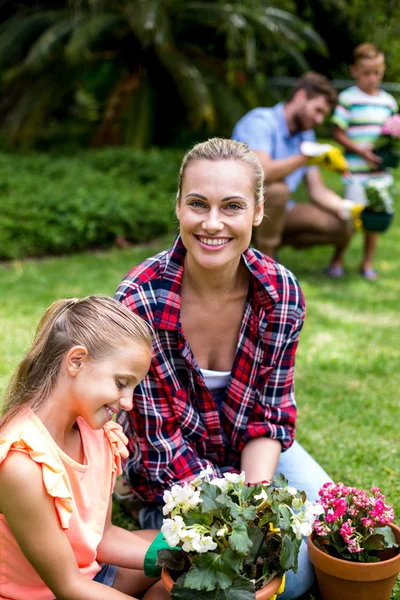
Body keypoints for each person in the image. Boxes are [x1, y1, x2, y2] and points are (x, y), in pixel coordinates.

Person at [114, 138, 331, 599]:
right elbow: (160, 444)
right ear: (178, 206)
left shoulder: (281, 293)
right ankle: (149, 515)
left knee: (317, 546)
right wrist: (233, 524)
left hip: (248, 446)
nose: (212, 224)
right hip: (174, 472)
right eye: (198, 204)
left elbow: (269, 416)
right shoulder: (139, 301)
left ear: (257, 210)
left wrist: (255, 506)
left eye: (231, 206)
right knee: (264, 579)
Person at [0, 295, 170, 600]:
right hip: (55, 592)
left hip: (92, 576)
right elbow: (68, 586)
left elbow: (102, 538)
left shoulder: (96, 431)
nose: (128, 403)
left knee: (171, 556)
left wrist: (182, 559)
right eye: (121, 383)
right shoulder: (21, 464)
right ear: (76, 361)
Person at [231, 72, 354, 276]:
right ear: (300, 96)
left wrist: (349, 208)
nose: (319, 119)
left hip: (278, 212)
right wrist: (306, 157)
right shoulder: (260, 121)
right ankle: (264, 269)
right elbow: (262, 172)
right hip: (240, 208)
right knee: (278, 190)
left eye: (323, 115)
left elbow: (317, 190)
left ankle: (267, 246)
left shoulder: (306, 134)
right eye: (318, 110)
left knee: (342, 223)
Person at [332, 43, 398, 279]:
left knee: (375, 218)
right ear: (354, 71)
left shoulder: (389, 102)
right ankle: (337, 260)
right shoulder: (348, 98)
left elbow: (392, 134)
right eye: (366, 72)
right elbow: (337, 132)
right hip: (355, 171)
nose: (372, 78)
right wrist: (361, 152)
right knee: (350, 219)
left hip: (379, 173)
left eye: (377, 73)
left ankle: (367, 263)